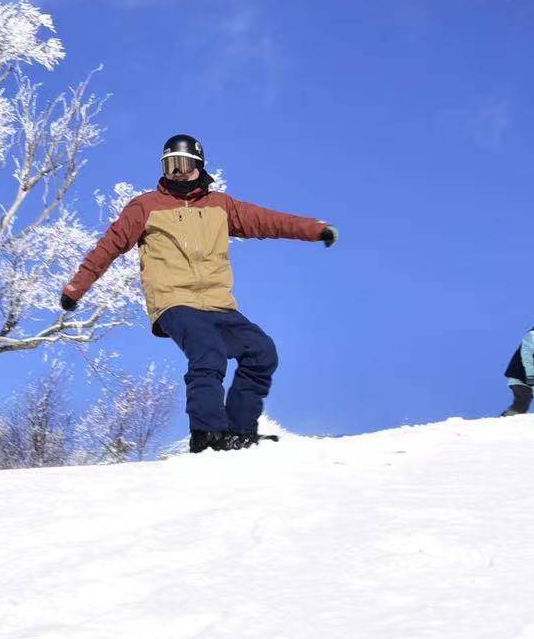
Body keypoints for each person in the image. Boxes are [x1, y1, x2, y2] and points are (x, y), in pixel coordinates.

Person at [59, 133, 335, 453]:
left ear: (199, 167)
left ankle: (240, 433)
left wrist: (315, 229)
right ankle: (206, 435)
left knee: (261, 351)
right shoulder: (145, 207)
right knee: (208, 350)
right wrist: (76, 288)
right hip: (174, 301)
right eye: (170, 167)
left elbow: (269, 221)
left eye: (184, 166)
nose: (177, 174)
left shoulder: (221, 205)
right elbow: (108, 247)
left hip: (219, 305)